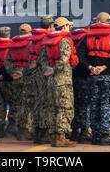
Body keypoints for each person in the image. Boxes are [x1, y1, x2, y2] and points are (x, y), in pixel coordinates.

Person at [78, 12, 110, 146]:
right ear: (109, 21)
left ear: (96, 21)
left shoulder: (87, 37)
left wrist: (90, 67)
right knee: (106, 105)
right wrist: (104, 66)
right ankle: (104, 135)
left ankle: (95, 134)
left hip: (92, 76)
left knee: (94, 105)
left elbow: (80, 55)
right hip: (108, 76)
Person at [39, 17, 79, 147]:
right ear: (64, 27)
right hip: (63, 79)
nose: (70, 28)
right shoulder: (65, 40)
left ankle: (54, 136)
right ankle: (61, 136)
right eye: (68, 26)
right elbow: (64, 60)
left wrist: (48, 69)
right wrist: (55, 69)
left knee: (52, 108)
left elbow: (42, 59)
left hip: (50, 79)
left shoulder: (48, 40)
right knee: (65, 107)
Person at [4, 23, 33, 140]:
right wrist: (23, 72)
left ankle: (15, 128)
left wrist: (12, 72)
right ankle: (24, 131)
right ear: (30, 32)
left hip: (15, 79)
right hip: (27, 78)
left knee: (17, 103)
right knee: (27, 105)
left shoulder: (12, 44)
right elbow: (33, 60)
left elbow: (7, 62)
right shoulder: (31, 43)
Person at [29, 15, 55, 144]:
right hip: (44, 72)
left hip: (34, 74)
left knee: (37, 102)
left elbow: (31, 55)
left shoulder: (32, 39)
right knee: (46, 103)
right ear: (51, 26)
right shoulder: (47, 38)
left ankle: (37, 131)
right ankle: (44, 132)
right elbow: (44, 56)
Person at [0, 27, 15, 138]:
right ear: (9, 34)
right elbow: (10, 64)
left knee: (0, 104)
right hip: (8, 79)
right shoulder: (12, 45)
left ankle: (0, 128)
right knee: (13, 103)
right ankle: (11, 125)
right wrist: (5, 75)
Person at [69, 27, 92, 143]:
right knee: (85, 106)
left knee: (74, 105)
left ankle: (74, 132)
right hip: (85, 77)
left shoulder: (70, 39)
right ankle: (84, 132)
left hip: (73, 77)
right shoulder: (87, 39)